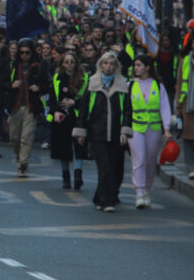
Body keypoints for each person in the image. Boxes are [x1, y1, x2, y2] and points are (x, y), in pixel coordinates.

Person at [73, 52, 132, 213]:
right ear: (101, 65)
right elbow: (84, 109)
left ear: (116, 66)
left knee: (113, 168)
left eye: (112, 64)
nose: (109, 67)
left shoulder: (122, 84)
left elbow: (127, 110)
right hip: (96, 132)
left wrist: (125, 130)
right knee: (104, 167)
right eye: (106, 63)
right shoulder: (92, 83)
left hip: (115, 133)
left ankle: (98, 197)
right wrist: (81, 132)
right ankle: (107, 201)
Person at [128, 55, 172, 209]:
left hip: (154, 129)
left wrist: (166, 128)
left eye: (139, 65)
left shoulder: (158, 85)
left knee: (151, 161)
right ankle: (139, 192)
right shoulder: (130, 85)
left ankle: (147, 190)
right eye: (135, 65)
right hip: (136, 128)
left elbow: (164, 107)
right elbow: (126, 110)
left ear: (147, 67)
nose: (136, 68)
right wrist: (123, 129)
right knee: (139, 159)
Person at [46, 52, 88, 190]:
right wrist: (55, 112)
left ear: (76, 63)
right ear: (62, 64)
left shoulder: (84, 78)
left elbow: (88, 99)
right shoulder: (57, 78)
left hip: (78, 117)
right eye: (66, 62)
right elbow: (52, 98)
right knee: (63, 148)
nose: (69, 64)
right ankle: (65, 177)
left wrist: (74, 103)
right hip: (62, 116)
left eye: (72, 62)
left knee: (78, 146)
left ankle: (77, 175)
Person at [5, 39, 46, 178]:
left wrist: (39, 88)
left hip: (30, 107)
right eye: (21, 52)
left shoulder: (39, 67)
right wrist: (11, 85)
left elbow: (47, 85)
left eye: (27, 52)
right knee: (14, 138)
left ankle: (23, 163)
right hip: (15, 106)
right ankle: (20, 157)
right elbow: (3, 83)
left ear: (32, 52)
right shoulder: (13, 66)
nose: (24, 55)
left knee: (26, 138)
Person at [174, 35, 194, 181]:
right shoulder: (185, 61)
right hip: (188, 105)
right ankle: (191, 168)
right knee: (188, 139)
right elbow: (180, 84)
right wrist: (178, 107)